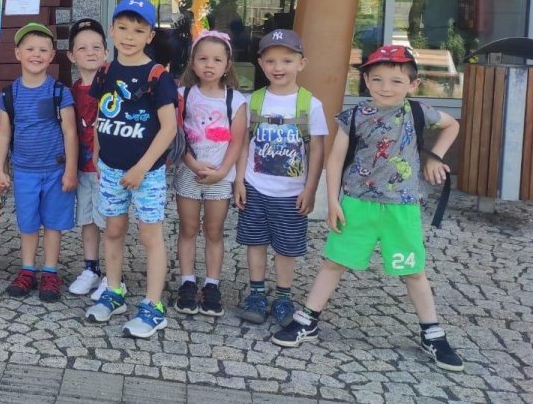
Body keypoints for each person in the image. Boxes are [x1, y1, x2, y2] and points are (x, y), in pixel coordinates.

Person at [273, 46, 463, 371]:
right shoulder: (354, 116)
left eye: (396, 81)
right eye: (377, 79)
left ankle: (432, 333)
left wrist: (435, 157)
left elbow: (452, 125)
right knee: (334, 262)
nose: (385, 87)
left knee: (413, 270)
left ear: (413, 85)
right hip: (357, 204)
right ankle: (308, 320)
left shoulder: (419, 112)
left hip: (402, 208)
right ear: (365, 80)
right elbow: (335, 159)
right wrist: (333, 201)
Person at [84, 0, 177, 338]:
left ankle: (153, 306)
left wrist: (141, 167)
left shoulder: (158, 76)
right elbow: (101, 114)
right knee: (113, 230)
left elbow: (169, 128)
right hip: (110, 169)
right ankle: (114, 290)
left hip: (147, 173)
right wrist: (97, 153)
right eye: (122, 28)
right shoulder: (106, 71)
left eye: (138, 31)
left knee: (150, 235)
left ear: (150, 36)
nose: (128, 36)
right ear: (111, 30)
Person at [233, 29, 328, 326]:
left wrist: (310, 188)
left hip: (291, 192)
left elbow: (317, 149)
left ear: (301, 63)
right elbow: (243, 143)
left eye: (287, 60)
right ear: (261, 64)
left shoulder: (311, 104)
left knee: (287, 248)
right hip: (256, 187)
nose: (278, 67)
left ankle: (284, 297)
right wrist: (239, 181)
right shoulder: (253, 101)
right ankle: (257, 294)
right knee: (255, 242)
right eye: (271, 61)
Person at [0, 22, 78, 303]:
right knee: (28, 223)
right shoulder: (9, 95)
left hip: (55, 170)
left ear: (52, 55)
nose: (36, 55)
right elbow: (3, 134)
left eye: (43, 50)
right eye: (30, 49)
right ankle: (28, 269)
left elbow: (70, 132)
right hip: (24, 172)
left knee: (53, 223)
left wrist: (70, 170)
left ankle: (50, 271)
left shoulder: (59, 92)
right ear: (18, 53)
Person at [172, 31, 247, 318]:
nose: (209, 65)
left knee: (214, 230)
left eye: (217, 60)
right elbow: (177, 134)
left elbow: (238, 140)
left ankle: (212, 284)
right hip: (188, 173)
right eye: (203, 58)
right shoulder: (183, 95)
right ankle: (187, 281)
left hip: (220, 176)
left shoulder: (235, 99)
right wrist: (192, 164)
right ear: (192, 62)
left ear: (227, 65)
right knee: (188, 228)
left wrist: (224, 172)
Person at [65, 19, 109, 297]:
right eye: (82, 48)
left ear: (106, 51)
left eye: (96, 47)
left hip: (108, 169)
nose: (90, 52)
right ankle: (91, 268)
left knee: (110, 222)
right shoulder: (72, 91)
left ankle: (114, 275)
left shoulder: (113, 86)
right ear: (72, 56)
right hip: (83, 167)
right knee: (88, 219)